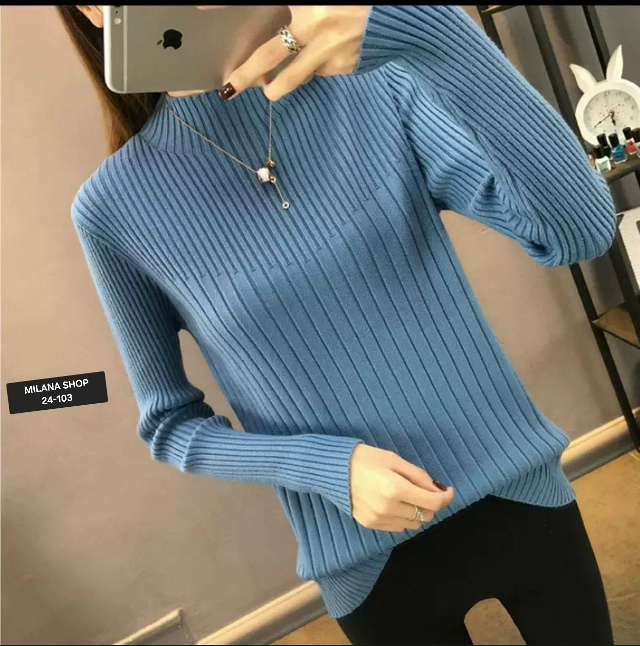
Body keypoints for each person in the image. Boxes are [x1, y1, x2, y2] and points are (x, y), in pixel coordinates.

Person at [60, 5, 615, 645]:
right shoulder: (112, 209)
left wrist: (435, 29)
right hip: (367, 564)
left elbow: (579, 231)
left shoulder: (376, 83)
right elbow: (169, 425)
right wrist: (326, 466)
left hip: (522, 494)